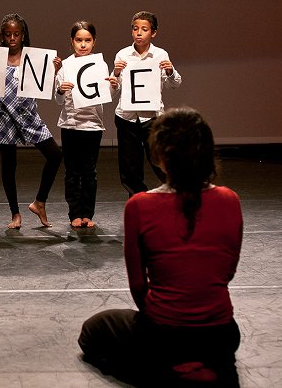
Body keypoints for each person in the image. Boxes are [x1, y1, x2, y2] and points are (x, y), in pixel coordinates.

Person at [78, 107, 243, 387]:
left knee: (92, 331)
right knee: (215, 342)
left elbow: (139, 286)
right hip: (221, 335)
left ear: (161, 157)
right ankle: (198, 363)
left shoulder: (141, 205)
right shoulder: (230, 199)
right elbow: (227, 271)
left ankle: (164, 370)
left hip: (163, 334)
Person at [0, 13, 62, 229]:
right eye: (8, 34)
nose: (12, 38)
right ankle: (15, 214)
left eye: (16, 34)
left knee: (55, 155)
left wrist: (54, 71)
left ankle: (40, 202)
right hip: (4, 117)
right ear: (2, 36)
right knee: (9, 166)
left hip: (28, 115)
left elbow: (42, 88)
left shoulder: (33, 58)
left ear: (23, 34)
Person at [111, 11, 182, 197]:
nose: (139, 33)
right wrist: (116, 75)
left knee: (160, 161)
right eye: (135, 29)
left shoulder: (160, 54)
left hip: (151, 117)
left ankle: (177, 196)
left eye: (144, 29)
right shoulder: (123, 54)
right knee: (129, 168)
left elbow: (174, 84)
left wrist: (170, 71)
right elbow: (113, 90)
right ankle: (138, 203)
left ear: (154, 33)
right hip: (126, 117)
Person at [54, 21, 115, 228]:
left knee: (89, 171)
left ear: (94, 42)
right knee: (72, 172)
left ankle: (88, 212)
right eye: (79, 40)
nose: (83, 45)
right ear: (72, 42)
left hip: (92, 125)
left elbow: (106, 94)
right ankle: (74, 213)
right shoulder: (65, 65)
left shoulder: (100, 65)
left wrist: (114, 86)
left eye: (87, 40)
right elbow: (58, 100)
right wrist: (61, 89)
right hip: (70, 125)